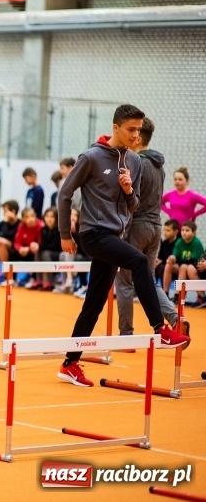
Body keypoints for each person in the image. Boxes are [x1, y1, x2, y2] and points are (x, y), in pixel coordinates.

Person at [57, 104, 191, 387]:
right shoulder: (91, 157)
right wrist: (64, 233)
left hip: (115, 236)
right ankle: (161, 328)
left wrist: (129, 190)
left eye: (139, 130)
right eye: (131, 129)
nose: (136, 135)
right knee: (140, 261)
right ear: (116, 128)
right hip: (94, 233)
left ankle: (69, 363)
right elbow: (65, 194)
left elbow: (134, 206)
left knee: (93, 304)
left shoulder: (135, 161)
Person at [115, 118, 185, 336]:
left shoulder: (137, 162)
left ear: (138, 136)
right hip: (155, 225)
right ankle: (174, 318)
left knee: (125, 281)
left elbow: (130, 197)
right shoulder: (159, 165)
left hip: (138, 225)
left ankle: (125, 334)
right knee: (146, 278)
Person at [162, 221, 204, 299]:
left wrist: (178, 260)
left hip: (194, 269)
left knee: (184, 266)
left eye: (187, 230)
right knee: (169, 264)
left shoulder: (196, 243)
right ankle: (165, 293)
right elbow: (175, 255)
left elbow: (193, 260)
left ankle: (178, 296)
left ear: (193, 232)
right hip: (182, 268)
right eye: (182, 230)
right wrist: (172, 258)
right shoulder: (179, 241)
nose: (184, 233)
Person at [32, 207, 62, 291]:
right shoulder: (43, 230)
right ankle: (39, 279)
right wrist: (36, 246)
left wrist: (39, 246)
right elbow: (43, 244)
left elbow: (55, 246)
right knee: (38, 252)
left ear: (56, 218)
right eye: (47, 216)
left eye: (52, 217)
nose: (49, 219)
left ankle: (48, 281)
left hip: (57, 254)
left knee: (45, 253)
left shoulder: (59, 230)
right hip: (47, 252)